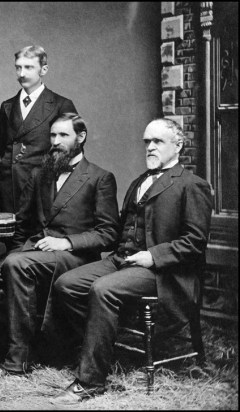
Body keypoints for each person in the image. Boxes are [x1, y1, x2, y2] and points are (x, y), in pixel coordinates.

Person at [50, 118, 213, 405]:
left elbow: (195, 241)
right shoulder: (139, 182)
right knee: (67, 284)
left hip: (164, 272)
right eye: (147, 141)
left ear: (178, 145)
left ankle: (90, 382)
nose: (150, 147)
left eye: (158, 141)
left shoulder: (192, 185)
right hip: (123, 259)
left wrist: (153, 256)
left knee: (103, 289)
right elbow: (120, 229)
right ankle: (102, 350)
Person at [0, 113, 120, 371]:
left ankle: (18, 358)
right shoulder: (39, 175)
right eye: (53, 135)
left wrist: (66, 242)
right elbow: (22, 225)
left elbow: (109, 233)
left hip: (73, 258)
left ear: (81, 137)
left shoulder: (100, 177)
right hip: (30, 255)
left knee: (17, 265)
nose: (55, 141)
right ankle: (30, 338)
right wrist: (13, 256)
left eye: (63, 135)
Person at [0, 45, 77, 215]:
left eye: (28, 67)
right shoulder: (7, 106)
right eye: (18, 67)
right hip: (9, 186)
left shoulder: (61, 104)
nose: (22, 74)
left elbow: (71, 150)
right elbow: (3, 147)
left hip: (42, 185)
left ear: (43, 70)